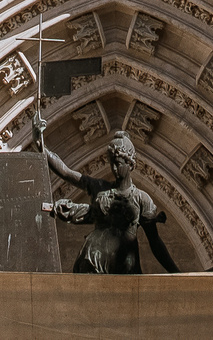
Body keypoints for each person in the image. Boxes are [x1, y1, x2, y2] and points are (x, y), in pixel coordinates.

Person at [37, 116, 177, 274]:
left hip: (125, 264)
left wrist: (176, 273)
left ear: (130, 164)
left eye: (118, 164)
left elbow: (155, 241)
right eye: (112, 164)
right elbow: (67, 172)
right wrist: (41, 146)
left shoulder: (141, 198)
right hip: (93, 257)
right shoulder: (100, 187)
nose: (114, 170)